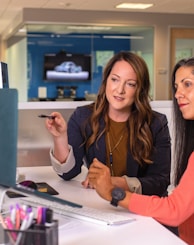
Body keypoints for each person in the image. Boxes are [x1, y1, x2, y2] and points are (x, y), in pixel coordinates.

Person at [87, 56, 194, 245]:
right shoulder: (84, 116)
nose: (178, 94)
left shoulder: (157, 123)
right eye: (176, 87)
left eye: (187, 85)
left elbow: (174, 210)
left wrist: (113, 193)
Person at [45, 51, 171, 197]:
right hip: (100, 204)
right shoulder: (83, 116)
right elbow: (68, 173)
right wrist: (60, 137)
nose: (120, 90)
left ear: (139, 90)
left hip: (140, 206)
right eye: (115, 80)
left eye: (130, 84)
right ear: (106, 81)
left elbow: (160, 182)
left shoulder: (156, 123)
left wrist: (112, 182)